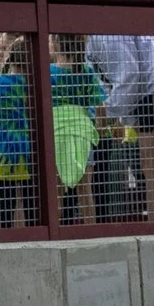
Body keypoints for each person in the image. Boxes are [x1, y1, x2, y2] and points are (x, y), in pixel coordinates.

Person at [87, 19, 154, 225]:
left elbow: (129, 75)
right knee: (151, 166)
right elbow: (108, 82)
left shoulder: (103, 33)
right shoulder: (91, 42)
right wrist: (118, 116)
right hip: (150, 89)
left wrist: (110, 114)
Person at [48, 32, 104, 223]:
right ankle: (91, 230)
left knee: (55, 188)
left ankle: (55, 230)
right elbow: (99, 104)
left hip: (54, 132)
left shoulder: (47, 72)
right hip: (82, 132)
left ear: (56, 44)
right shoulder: (87, 72)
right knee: (85, 187)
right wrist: (103, 128)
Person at [0, 36, 37, 227]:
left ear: (11, 56)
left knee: (6, 203)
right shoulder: (35, 85)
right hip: (30, 152)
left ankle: (6, 237)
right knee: (32, 204)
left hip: (2, 152)